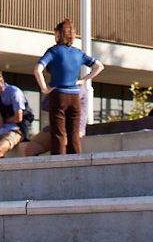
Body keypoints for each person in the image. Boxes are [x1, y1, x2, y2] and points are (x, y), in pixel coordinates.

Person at [33, 20, 102, 155]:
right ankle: (76, 162)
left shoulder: (54, 51)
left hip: (59, 94)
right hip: (75, 95)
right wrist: (84, 80)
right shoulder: (78, 53)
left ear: (59, 34)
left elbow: (37, 69)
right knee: (73, 134)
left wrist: (44, 89)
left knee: (58, 133)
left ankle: (59, 163)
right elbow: (99, 66)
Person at [0, 72, 28, 159]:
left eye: (1, 81)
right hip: (1, 130)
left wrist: (5, 120)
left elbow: (18, 118)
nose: (0, 85)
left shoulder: (14, 92)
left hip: (16, 130)